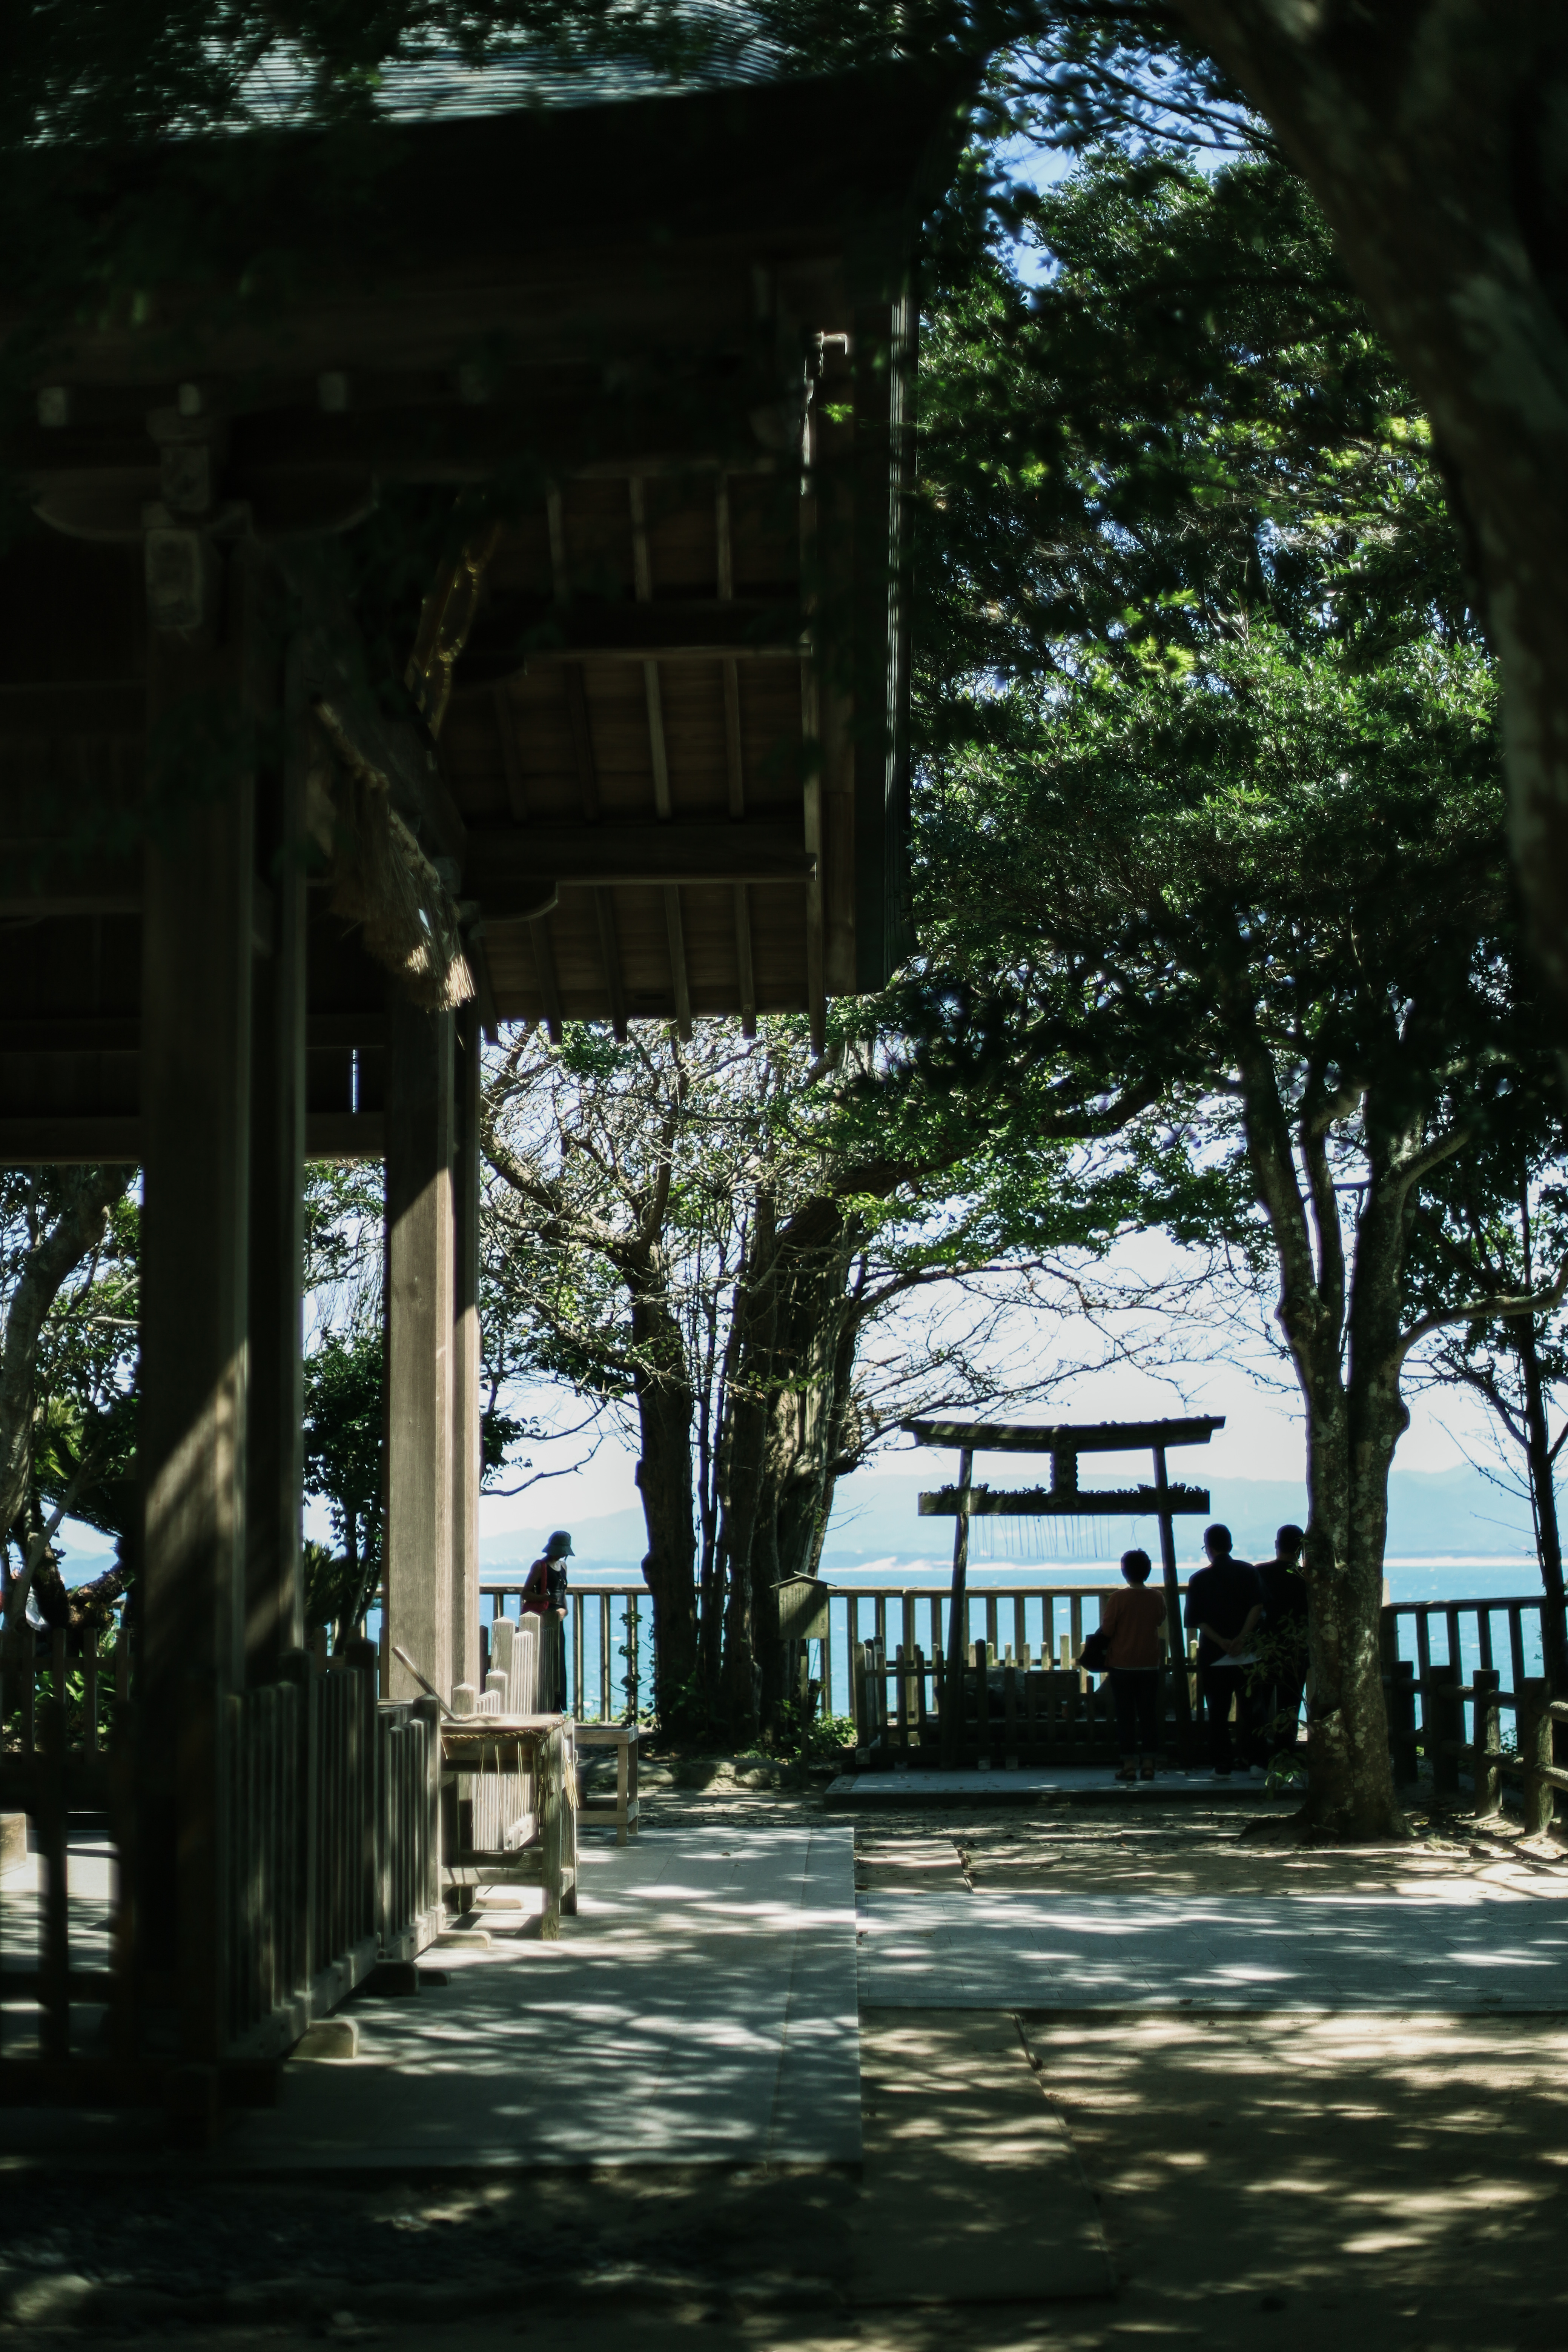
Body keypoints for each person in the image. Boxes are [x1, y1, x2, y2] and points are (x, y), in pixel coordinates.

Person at [1183, 1524, 1264, 1779]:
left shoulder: (1199, 1579)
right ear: (1230, 1545)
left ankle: (1222, 1766)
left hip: (1215, 1655)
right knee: (1252, 1711)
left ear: (1209, 1548)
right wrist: (1242, 1638)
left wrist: (1221, 1641)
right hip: (1248, 1653)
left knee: (1218, 1713)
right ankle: (1256, 1762)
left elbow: (1197, 1620)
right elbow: (1257, 1606)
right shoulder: (1249, 1572)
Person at [1101, 1547, 1167, 1782]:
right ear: (1148, 1570)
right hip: (1149, 1663)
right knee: (1149, 1715)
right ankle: (1149, 1765)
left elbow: (1107, 1630)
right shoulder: (1157, 1597)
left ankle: (1129, 1765)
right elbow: (1160, 1619)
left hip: (1122, 1664)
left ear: (1125, 1571)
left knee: (1126, 1716)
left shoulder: (1118, 1599)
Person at [1254, 1523, 1309, 1760]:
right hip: (1297, 1649)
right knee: (1290, 1705)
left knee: (1259, 1703)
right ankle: (1285, 1755)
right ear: (1301, 1549)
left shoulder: (1259, 1573)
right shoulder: (1306, 1578)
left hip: (1263, 1647)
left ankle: (1258, 1757)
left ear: (1277, 1545)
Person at [522, 1530, 572, 1713]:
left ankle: (557, 1706)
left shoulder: (564, 1567)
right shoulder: (540, 1566)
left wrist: (564, 1611)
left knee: (558, 1663)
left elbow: (563, 1595)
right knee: (543, 1663)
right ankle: (542, 1705)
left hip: (558, 1621)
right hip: (542, 1620)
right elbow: (526, 1593)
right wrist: (544, 1598)